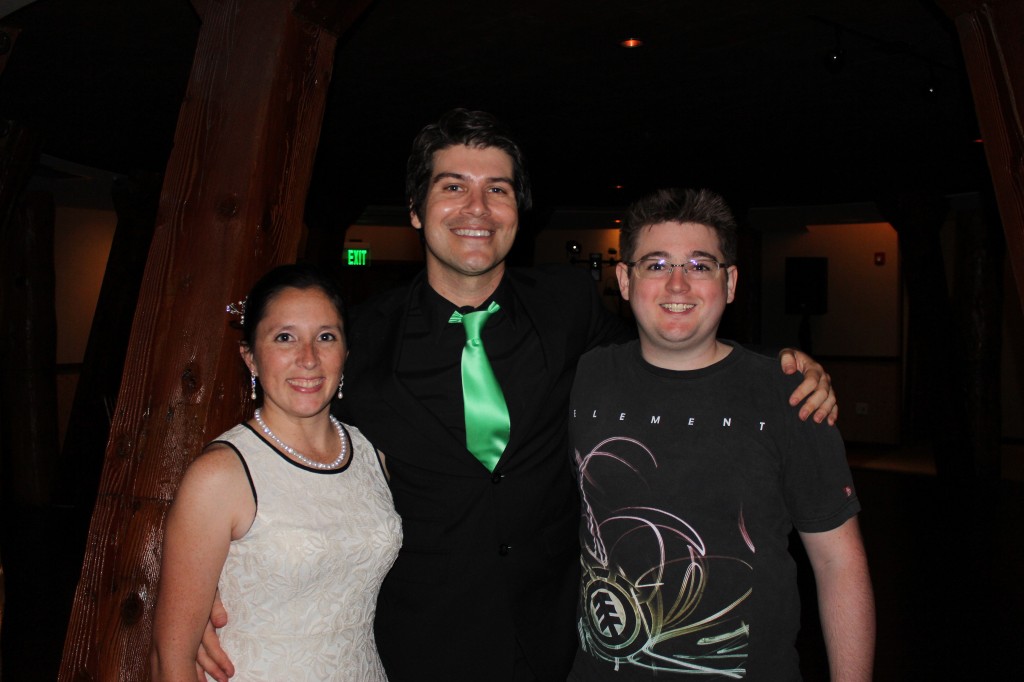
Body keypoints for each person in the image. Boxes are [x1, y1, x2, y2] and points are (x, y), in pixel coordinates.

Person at [198, 110, 838, 681]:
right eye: (453, 187)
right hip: (419, 647)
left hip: (561, 646)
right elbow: (286, 442)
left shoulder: (567, 308)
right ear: (417, 210)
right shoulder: (362, 340)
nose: (476, 208)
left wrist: (776, 365)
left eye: (496, 190)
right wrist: (214, 587)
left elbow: (669, 348)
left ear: (517, 212)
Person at [568, 188, 874, 680]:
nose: (677, 285)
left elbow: (840, 564)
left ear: (729, 283)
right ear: (625, 280)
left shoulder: (789, 395)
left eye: (699, 265)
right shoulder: (583, 378)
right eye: (656, 264)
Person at [151, 264, 402, 681]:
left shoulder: (375, 455)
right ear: (250, 357)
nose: (308, 358)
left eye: (326, 337)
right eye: (284, 338)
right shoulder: (220, 475)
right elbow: (170, 659)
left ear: (346, 353)